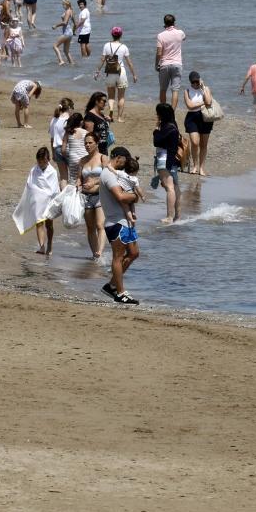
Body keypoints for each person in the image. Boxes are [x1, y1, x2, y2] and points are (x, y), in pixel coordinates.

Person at [100, 146, 141, 304]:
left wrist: (133, 196)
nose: (126, 163)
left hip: (124, 221)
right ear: (118, 157)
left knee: (134, 253)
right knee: (117, 257)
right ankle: (120, 292)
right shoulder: (108, 175)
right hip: (115, 222)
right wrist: (135, 196)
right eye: (125, 159)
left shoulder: (114, 174)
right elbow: (121, 196)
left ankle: (111, 285)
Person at [14, 148, 59, 257]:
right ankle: (42, 247)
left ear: (48, 160)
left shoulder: (52, 172)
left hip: (49, 202)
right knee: (39, 222)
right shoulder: (34, 170)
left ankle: (50, 245)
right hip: (37, 201)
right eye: (39, 161)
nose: (41, 164)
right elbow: (30, 185)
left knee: (49, 225)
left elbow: (53, 190)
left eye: (43, 161)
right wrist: (37, 194)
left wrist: (44, 194)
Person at [96, 27, 138, 121]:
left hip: (110, 72)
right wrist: (134, 75)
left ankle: (111, 112)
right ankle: (119, 117)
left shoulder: (107, 45)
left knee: (111, 96)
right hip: (121, 72)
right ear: (121, 35)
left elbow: (102, 60)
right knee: (121, 96)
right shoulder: (123, 47)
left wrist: (97, 71)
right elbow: (129, 63)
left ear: (112, 35)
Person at [79, 132, 108, 266]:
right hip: (85, 196)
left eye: (90, 142)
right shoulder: (83, 160)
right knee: (90, 227)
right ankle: (95, 254)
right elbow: (79, 178)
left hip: (100, 196)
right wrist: (77, 184)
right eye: (85, 143)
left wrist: (94, 182)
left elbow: (107, 176)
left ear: (96, 143)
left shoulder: (103, 158)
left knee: (100, 225)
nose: (87, 145)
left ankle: (100, 252)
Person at [153, 103, 181, 224]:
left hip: (165, 159)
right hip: (172, 159)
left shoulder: (166, 128)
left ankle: (169, 217)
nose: (156, 115)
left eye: (157, 113)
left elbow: (157, 142)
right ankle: (177, 216)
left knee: (169, 188)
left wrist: (155, 131)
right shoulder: (173, 125)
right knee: (175, 187)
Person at [182, 71, 215, 175]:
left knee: (203, 144)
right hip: (192, 118)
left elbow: (209, 101)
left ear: (200, 80)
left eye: (197, 81)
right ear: (190, 82)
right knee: (195, 142)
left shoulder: (206, 89)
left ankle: (201, 168)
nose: (195, 84)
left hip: (205, 117)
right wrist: (202, 103)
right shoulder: (187, 91)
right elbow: (190, 106)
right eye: (193, 82)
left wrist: (203, 87)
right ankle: (195, 165)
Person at [155, 13, 186, 107]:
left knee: (163, 89)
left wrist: (156, 64)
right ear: (174, 22)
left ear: (164, 23)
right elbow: (184, 38)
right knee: (175, 90)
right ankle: (172, 114)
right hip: (177, 64)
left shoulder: (160, 35)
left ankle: (163, 113)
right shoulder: (180, 33)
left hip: (164, 64)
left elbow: (159, 53)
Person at [49, 99, 72, 185]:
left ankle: (63, 196)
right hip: (68, 148)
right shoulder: (69, 120)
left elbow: (52, 139)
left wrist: (53, 153)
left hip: (57, 149)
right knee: (74, 175)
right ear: (69, 108)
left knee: (63, 177)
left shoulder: (54, 120)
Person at [52, 0, 74, 66]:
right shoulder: (71, 11)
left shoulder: (68, 11)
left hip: (67, 32)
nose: (63, 6)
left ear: (67, 4)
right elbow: (75, 23)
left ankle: (61, 61)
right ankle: (72, 63)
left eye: (63, 4)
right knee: (66, 51)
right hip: (70, 32)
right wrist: (74, 31)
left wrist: (56, 25)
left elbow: (65, 22)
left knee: (55, 46)